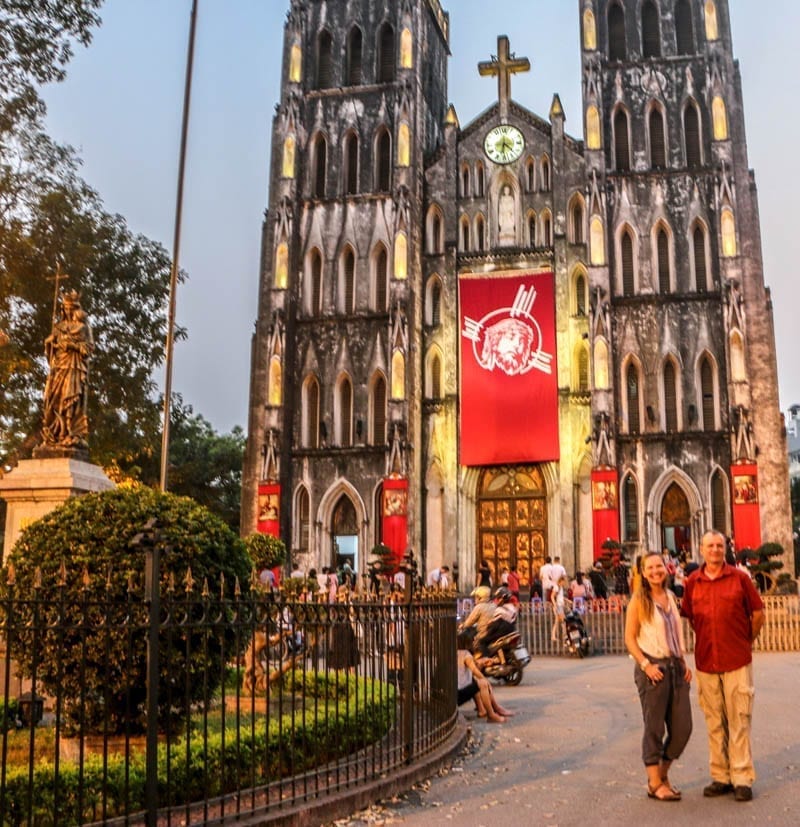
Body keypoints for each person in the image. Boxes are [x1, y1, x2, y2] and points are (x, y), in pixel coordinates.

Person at [681, 530, 765, 802]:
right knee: (714, 720)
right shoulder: (693, 582)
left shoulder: (740, 578)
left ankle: (742, 777)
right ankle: (721, 776)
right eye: (710, 546)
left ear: (725, 549)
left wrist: (744, 640)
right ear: (701, 550)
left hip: (736, 658)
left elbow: (757, 614)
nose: (715, 550)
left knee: (739, 719)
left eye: (719, 545)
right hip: (706, 661)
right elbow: (692, 619)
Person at [625, 552, 693, 802]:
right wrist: (645, 664)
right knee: (654, 727)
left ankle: (662, 773)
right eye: (650, 567)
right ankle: (655, 782)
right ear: (643, 573)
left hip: (676, 668)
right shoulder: (638, 601)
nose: (655, 571)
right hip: (652, 670)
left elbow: (675, 634)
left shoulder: (672, 597)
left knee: (683, 727)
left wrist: (684, 662)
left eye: (659, 566)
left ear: (667, 568)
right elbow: (629, 639)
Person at [41, 290, 94, 449]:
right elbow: (51, 349)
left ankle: (70, 431)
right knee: (55, 397)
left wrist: (72, 346)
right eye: (65, 308)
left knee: (71, 396)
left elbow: (89, 349)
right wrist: (49, 343)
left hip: (74, 365)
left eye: (71, 308)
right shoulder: (59, 326)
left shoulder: (84, 328)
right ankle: (55, 432)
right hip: (59, 366)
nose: (68, 311)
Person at [456, 632, 513, 723]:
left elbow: (471, 668)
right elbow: (474, 670)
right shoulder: (465, 654)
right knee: (482, 684)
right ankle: (491, 715)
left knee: (475, 681)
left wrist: (481, 663)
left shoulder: (455, 654)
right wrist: (485, 680)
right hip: (457, 696)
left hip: (450, 697)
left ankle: (484, 709)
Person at [461, 586, 497, 655]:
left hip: (483, 633)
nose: (475, 599)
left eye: (476, 597)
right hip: (492, 633)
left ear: (480, 598)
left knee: (470, 640)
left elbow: (469, 623)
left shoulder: (479, 607)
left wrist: (462, 625)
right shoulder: (493, 605)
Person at [550, 575, 568, 643]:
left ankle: (553, 636)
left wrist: (567, 600)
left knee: (557, 621)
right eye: (563, 582)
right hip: (558, 606)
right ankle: (564, 635)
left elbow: (561, 597)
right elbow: (552, 596)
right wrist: (555, 605)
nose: (564, 583)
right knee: (563, 621)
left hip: (560, 605)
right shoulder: (556, 587)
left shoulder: (560, 588)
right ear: (561, 581)